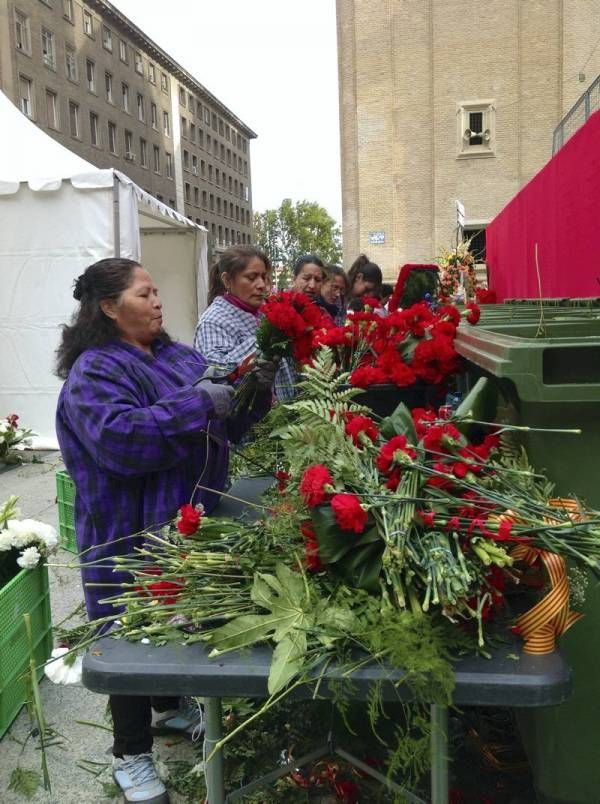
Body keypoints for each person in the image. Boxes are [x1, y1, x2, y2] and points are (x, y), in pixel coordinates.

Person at [55, 257, 274, 804]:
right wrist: (199, 401)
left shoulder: (176, 355)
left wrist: (254, 389)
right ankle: (131, 755)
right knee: (128, 636)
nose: (158, 302)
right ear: (109, 307)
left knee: (182, 621)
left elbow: (225, 423)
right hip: (128, 530)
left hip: (189, 519)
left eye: (157, 292)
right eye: (144, 293)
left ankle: (172, 707)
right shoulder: (95, 371)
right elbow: (122, 441)